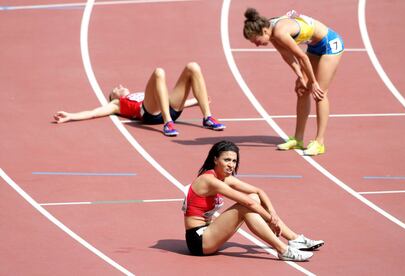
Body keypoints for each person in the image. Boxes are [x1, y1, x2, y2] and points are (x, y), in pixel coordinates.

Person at [182, 140, 324, 261]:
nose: (231, 165)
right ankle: (283, 250)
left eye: (234, 161)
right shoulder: (210, 181)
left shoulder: (224, 178)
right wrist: (270, 220)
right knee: (246, 207)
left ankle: (294, 239)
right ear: (215, 160)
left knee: (254, 198)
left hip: (210, 231)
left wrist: (273, 214)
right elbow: (248, 204)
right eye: (227, 160)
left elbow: (258, 191)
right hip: (199, 241)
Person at [243, 8, 344, 155]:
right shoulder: (271, 32)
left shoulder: (279, 32)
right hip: (315, 46)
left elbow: (302, 57)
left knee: (319, 92)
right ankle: (298, 139)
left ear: (264, 31)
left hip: (330, 44)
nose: (256, 45)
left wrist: (314, 82)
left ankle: (319, 142)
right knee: (302, 90)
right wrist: (300, 76)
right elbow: (287, 55)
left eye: (256, 41)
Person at [53, 62, 225, 136]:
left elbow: (162, 97)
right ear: (113, 97)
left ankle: (207, 117)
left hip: (171, 109)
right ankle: (167, 123)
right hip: (152, 114)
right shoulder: (116, 104)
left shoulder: (140, 93)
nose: (119, 85)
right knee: (159, 72)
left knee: (192, 67)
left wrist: (195, 102)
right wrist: (71, 116)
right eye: (116, 89)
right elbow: (93, 113)